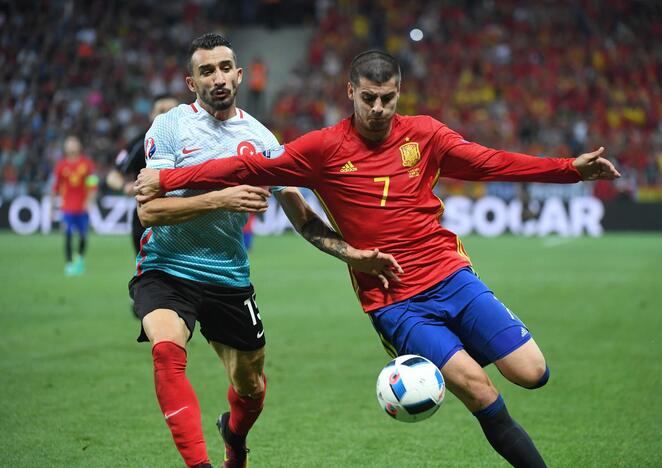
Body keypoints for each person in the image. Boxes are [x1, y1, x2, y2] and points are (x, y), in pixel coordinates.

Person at [136, 50, 621, 467]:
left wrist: (568, 171)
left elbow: (492, 161)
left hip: (452, 275)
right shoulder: (322, 149)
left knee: (533, 373)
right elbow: (248, 165)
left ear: (399, 93)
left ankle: (458, 351)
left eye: (387, 98)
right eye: (368, 98)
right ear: (350, 92)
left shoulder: (425, 135)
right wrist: (167, 179)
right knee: (478, 388)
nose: (378, 108)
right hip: (394, 301)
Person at [130, 36, 401, 468]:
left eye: (224, 68)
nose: (217, 78)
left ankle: (234, 437)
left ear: (239, 75)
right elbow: (150, 212)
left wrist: (354, 255)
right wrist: (221, 198)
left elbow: (304, 218)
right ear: (190, 81)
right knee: (166, 351)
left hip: (228, 277)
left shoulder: (260, 139)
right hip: (168, 267)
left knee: (251, 387)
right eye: (206, 71)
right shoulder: (169, 127)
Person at [106, 94, 179, 255]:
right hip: (147, 219)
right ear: (151, 115)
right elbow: (113, 176)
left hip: (182, 216)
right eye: (161, 110)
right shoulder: (140, 143)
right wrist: (126, 186)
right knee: (149, 275)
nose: (166, 115)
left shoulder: (191, 143)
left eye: (172, 111)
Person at [52, 135, 98, 276]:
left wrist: (89, 200)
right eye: (69, 143)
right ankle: (69, 264)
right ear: (65, 147)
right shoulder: (61, 165)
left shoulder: (87, 164)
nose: (71, 146)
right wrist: (51, 205)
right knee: (67, 235)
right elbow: (56, 186)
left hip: (82, 208)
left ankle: (79, 259)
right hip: (67, 208)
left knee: (83, 236)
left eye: (74, 143)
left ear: (79, 146)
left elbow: (92, 184)